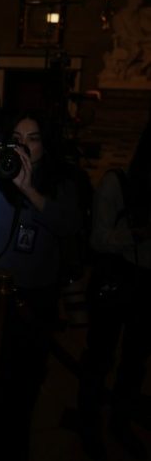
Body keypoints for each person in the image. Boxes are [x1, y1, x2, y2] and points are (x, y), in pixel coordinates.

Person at [0, 110, 82, 460]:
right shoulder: (0, 173)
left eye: (33, 138)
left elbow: (68, 224)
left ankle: (15, 443)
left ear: (46, 144)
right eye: (17, 138)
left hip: (35, 295)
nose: (24, 146)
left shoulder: (60, 180)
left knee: (28, 376)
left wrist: (27, 187)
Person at [77, 115, 151, 461]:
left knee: (135, 360)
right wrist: (134, 235)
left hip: (146, 284)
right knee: (100, 356)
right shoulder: (116, 183)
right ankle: (88, 424)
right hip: (117, 277)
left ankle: (120, 421)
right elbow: (97, 239)